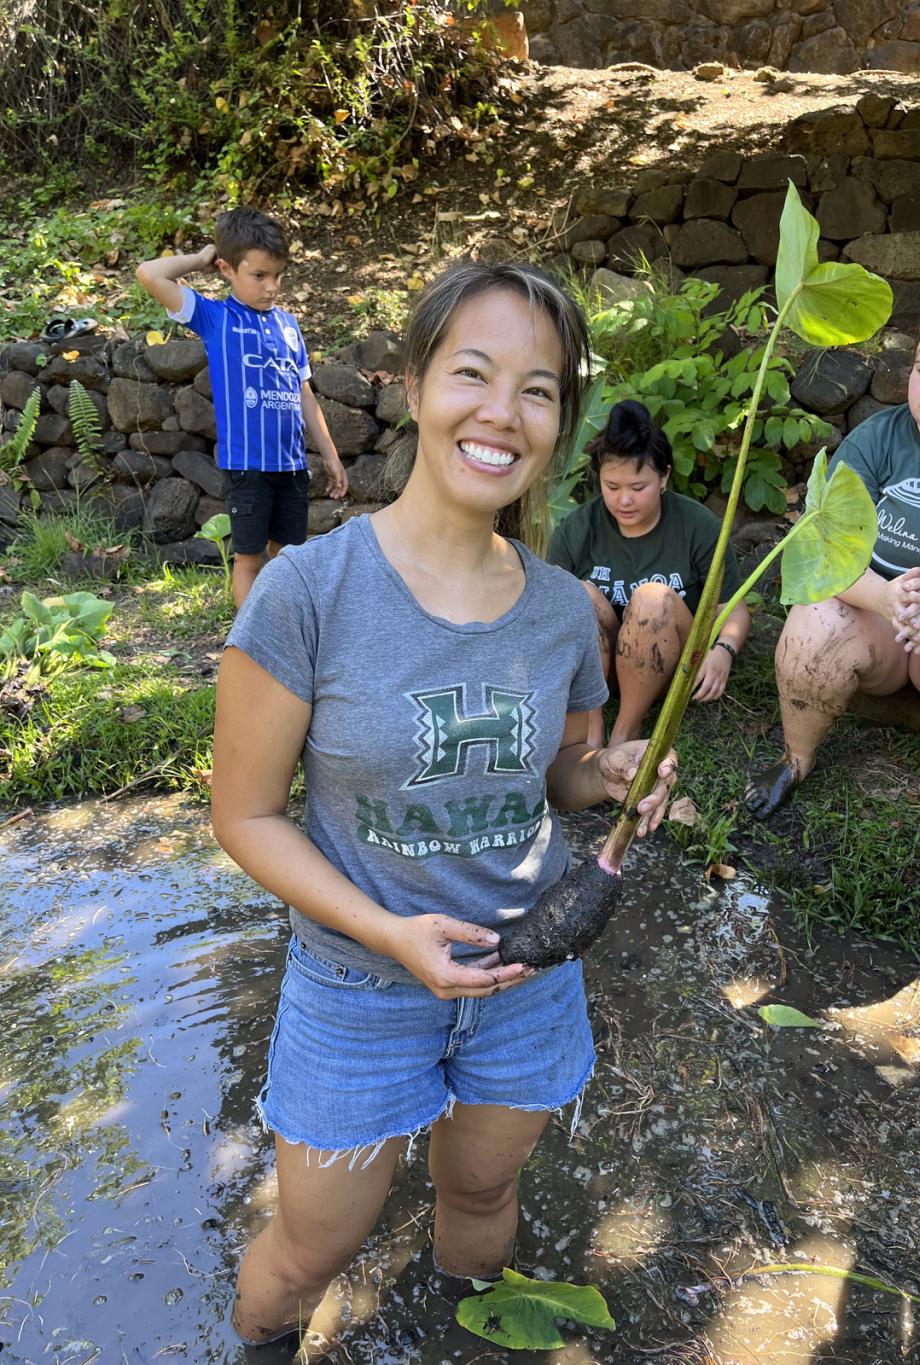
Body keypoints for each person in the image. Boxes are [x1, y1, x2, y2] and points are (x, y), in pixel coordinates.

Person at [210, 261, 678, 1347]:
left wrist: (603, 773)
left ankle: (457, 1335)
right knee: (309, 1253)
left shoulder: (565, 610)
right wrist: (387, 932)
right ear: (415, 385)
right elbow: (245, 816)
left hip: (525, 976)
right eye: (473, 372)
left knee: (478, 1207)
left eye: (538, 389)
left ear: (560, 420)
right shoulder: (307, 593)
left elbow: (557, 774)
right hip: (356, 987)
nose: (501, 413)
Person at [745, 300, 920, 869]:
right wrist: (884, 596)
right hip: (876, 617)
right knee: (814, 617)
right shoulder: (879, 437)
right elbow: (819, 541)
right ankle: (795, 757)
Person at [135, 207, 348, 609]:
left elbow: (305, 395)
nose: (271, 287)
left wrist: (331, 456)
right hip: (248, 467)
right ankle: (248, 645)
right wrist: (200, 259)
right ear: (227, 269)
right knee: (250, 557)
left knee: (290, 558)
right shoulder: (216, 318)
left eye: (278, 276)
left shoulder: (289, 325)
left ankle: (286, 632)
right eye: (259, 276)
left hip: (292, 467)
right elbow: (149, 274)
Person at [548, 399, 750, 748]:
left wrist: (724, 650)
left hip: (675, 662)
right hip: (603, 666)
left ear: (664, 476)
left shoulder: (698, 526)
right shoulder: (576, 531)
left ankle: (627, 727)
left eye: (637, 488)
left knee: (652, 598)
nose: (624, 500)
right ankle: (592, 725)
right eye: (612, 487)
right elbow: (552, 619)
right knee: (574, 593)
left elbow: (731, 607)